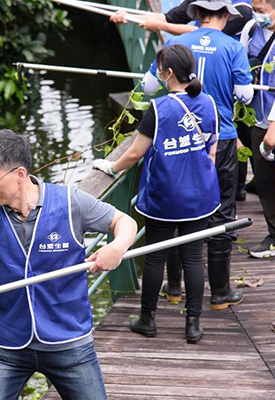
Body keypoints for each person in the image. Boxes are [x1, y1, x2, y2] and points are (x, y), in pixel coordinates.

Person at [0, 129, 137, 400]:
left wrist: (117, 247)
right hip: (8, 343)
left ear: (19, 174)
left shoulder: (69, 201)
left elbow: (125, 222)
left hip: (69, 340)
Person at [94, 44, 220, 344]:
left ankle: (147, 319)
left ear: (169, 73)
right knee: (193, 259)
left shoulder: (158, 109)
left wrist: (110, 167)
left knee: (154, 258)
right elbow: (211, 150)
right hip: (200, 196)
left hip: (165, 196)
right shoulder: (209, 103)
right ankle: (193, 326)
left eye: (159, 68)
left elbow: (135, 154)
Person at [141, 0, 254, 310]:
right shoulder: (232, 46)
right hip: (220, 138)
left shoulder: (176, 42)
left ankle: (174, 288)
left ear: (197, 13)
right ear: (224, 15)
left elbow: (150, 86)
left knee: (177, 211)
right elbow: (245, 94)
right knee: (221, 212)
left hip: (174, 137)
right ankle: (219, 293)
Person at [240, 0, 275, 258]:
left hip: (272, 122)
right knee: (264, 181)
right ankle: (273, 235)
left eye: (262, 10)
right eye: (256, 9)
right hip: (257, 118)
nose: (257, 14)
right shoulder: (251, 29)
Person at [110, 0, 252, 39]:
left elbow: (203, 32)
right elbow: (169, 19)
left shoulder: (242, 9)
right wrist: (128, 16)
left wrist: (159, 26)